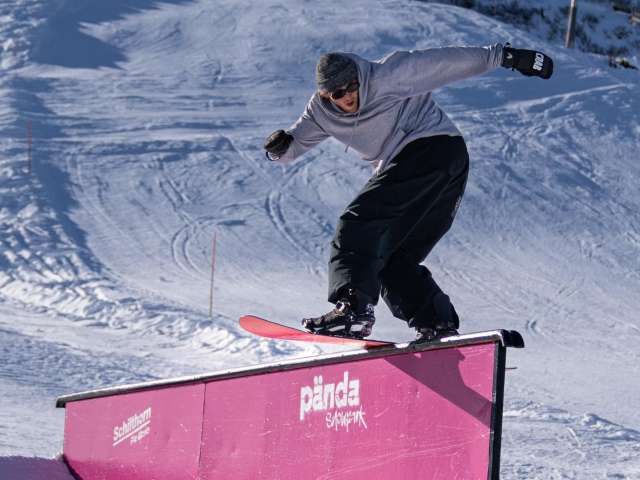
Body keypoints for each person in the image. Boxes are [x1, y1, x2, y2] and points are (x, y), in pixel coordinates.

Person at [263, 43, 553, 341]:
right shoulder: (319, 113)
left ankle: (353, 309)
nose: (348, 96)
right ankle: (437, 324)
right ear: (325, 96)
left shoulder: (387, 76)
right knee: (392, 259)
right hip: (434, 168)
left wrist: (507, 57)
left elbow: (446, 62)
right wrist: (279, 148)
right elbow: (293, 144)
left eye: (352, 86)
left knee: (359, 223)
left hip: (433, 147)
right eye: (338, 93)